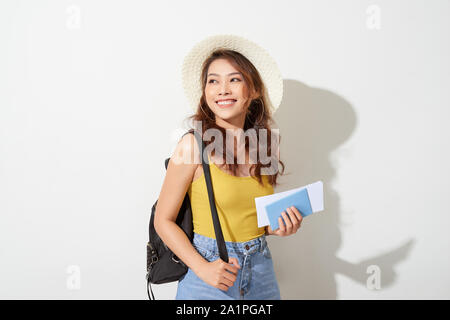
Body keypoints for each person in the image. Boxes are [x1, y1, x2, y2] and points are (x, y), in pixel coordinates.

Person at [154, 34, 303, 300]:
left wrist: (278, 227)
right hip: (210, 270)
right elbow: (163, 221)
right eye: (213, 81)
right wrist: (202, 268)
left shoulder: (263, 147)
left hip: (260, 270)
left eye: (234, 79)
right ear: (205, 91)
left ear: (254, 90)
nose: (222, 89)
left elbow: (255, 219)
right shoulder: (192, 146)